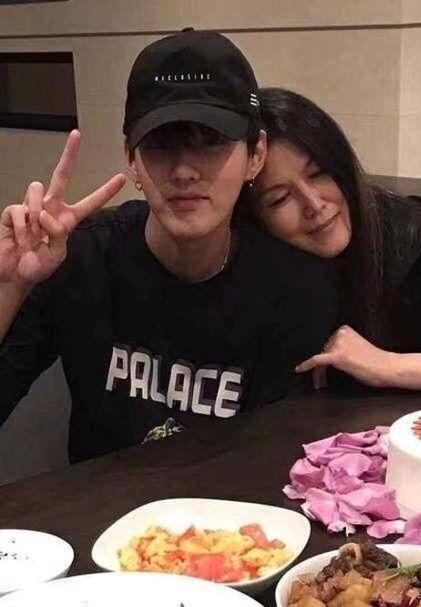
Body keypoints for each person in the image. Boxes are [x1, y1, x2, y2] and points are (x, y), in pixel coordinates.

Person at [0, 32, 336, 463]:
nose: (183, 171)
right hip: (101, 503)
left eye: (211, 141)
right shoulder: (79, 256)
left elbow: (284, 459)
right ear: (132, 158)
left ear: (256, 154)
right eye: (161, 143)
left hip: (231, 505)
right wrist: (10, 285)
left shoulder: (291, 288)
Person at [252, 87, 421, 398]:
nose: (314, 204)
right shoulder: (260, 270)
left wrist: (391, 366)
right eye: (280, 198)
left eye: (318, 174)